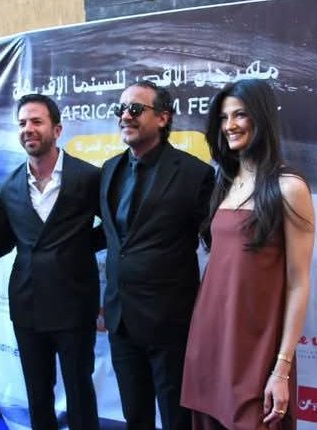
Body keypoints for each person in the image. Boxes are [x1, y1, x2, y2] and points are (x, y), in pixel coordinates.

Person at [180, 79, 315, 430]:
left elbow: (299, 284)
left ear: (263, 117)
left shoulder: (289, 188)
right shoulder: (224, 184)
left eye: (240, 115)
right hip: (210, 344)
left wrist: (281, 369)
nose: (230, 125)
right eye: (224, 118)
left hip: (257, 352)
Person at [100, 80, 215, 430]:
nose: (125, 116)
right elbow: (112, 236)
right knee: (135, 417)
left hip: (169, 323)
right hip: (121, 320)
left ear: (163, 118)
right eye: (120, 109)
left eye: (135, 109)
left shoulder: (195, 174)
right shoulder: (109, 170)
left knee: (176, 420)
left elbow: (216, 242)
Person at [0, 94, 101, 430]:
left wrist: (79, 246)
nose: (28, 128)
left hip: (74, 303)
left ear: (57, 129)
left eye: (36, 121)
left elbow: (113, 229)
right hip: (27, 304)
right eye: (22, 123)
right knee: (38, 394)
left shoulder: (88, 177)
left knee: (79, 392)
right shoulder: (9, 186)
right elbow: (3, 240)